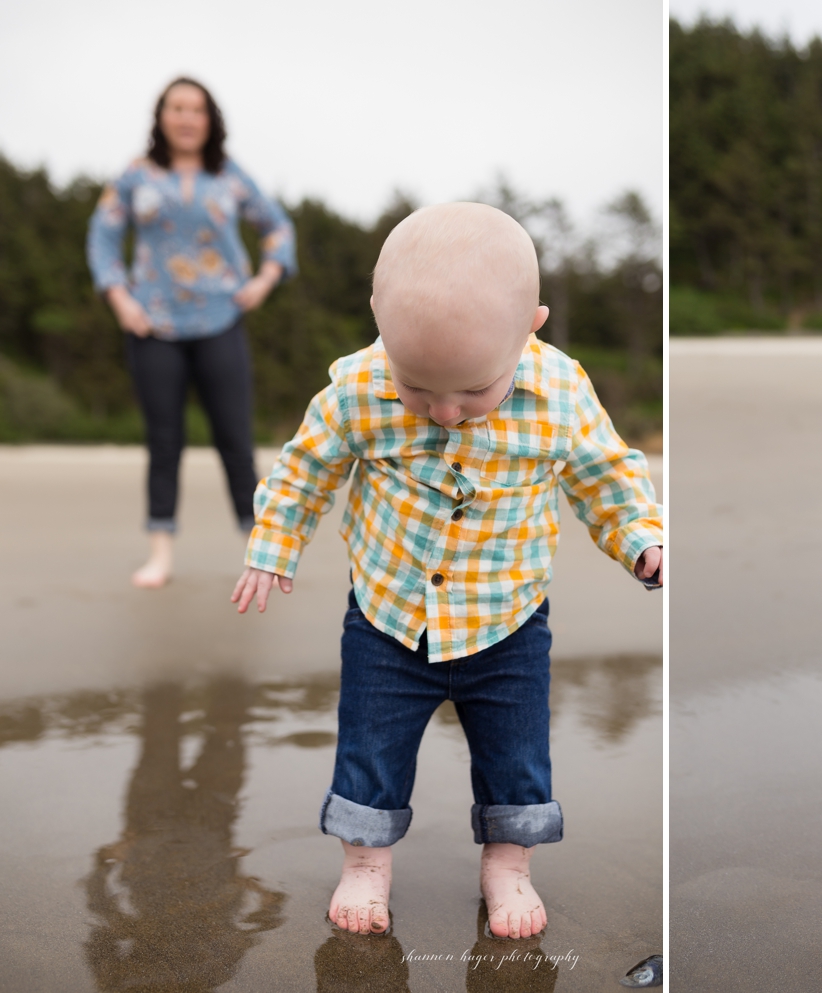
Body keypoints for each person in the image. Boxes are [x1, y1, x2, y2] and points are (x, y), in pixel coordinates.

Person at [228, 202, 662, 938]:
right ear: (379, 319)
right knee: (370, 744)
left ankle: (508, 864)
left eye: (472, 392)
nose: (446, 413)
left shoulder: (560, 392)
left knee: (517, 752)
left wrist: (644, 540)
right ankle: (366, 863)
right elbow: (305, 469)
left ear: (532, 324)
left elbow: (607, 476)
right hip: (388, 614)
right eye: (419, 391)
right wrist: (274, 543)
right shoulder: (360, 385)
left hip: (509, 618)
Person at [87, 77, 296, 587]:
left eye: (196, 109)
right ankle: (160, 554)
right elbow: (102, 237)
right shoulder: (136, 175)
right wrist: (119, 298)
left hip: (220, 320)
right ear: (161, 116)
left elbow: (278, 227)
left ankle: (259, 553)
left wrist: (265, 279)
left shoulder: (228, 175)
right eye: (176, 108)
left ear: (210, 119)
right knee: (164, 440)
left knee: (234, 438)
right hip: (152, 323)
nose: (186, 118)